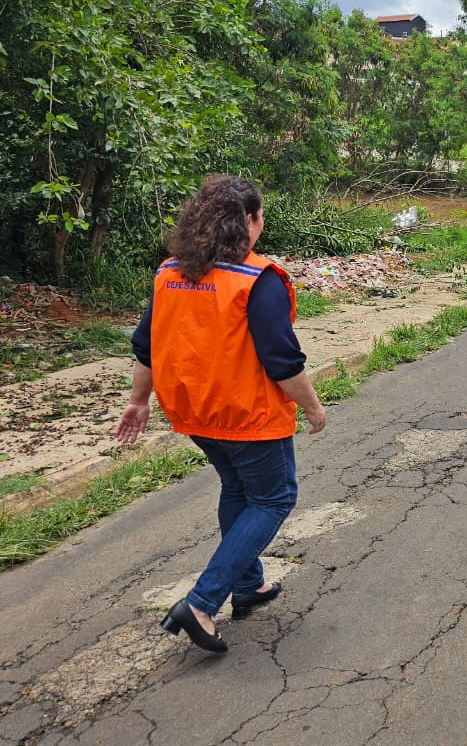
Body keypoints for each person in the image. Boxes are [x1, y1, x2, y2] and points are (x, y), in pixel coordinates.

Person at [115, 175, 328, 655]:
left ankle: (248, 585)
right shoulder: (258, 278)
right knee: (274, 499)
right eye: (260, 214)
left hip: (194, 414)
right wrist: (312, 406)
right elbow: (282, 362)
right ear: (247, 223)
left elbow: (146, 347)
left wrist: (139, 401)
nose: (263, 222)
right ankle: (202, 602)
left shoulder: (170, 272)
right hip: (247, 416)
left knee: (238, 489)